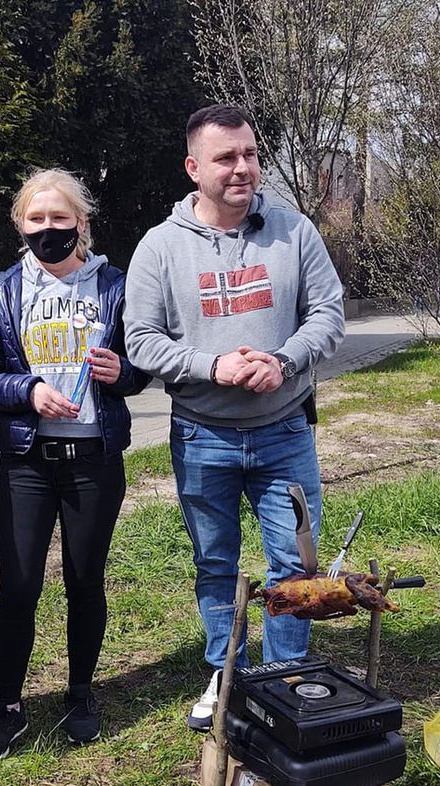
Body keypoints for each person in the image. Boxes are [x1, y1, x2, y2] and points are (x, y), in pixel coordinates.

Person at [123, 104, 346, 731]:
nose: (243, 168)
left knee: (294, 565)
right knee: (216, 564)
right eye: (226, 158)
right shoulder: (161, 248)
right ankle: (227, 670)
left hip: (283, 432)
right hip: (202, 435)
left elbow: (328, 314)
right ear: (194, 168)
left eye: (250, 154)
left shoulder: (293, 231)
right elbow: (138, 340)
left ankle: (285, 678)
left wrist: (283, 359)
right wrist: (209, 365)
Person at [0, 169, 149, 762]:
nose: (49, 229)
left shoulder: (117, 286)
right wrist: (28, 390)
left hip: (94, 459)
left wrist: (122, 373)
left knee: (84, 579)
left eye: (60, 219)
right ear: (21, 225)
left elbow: (142, 366)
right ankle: (8, 705)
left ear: (82, 224)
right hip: (27, 460)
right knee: (18, 585)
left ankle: (80, 692)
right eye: (36, 219)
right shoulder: (1, 290)